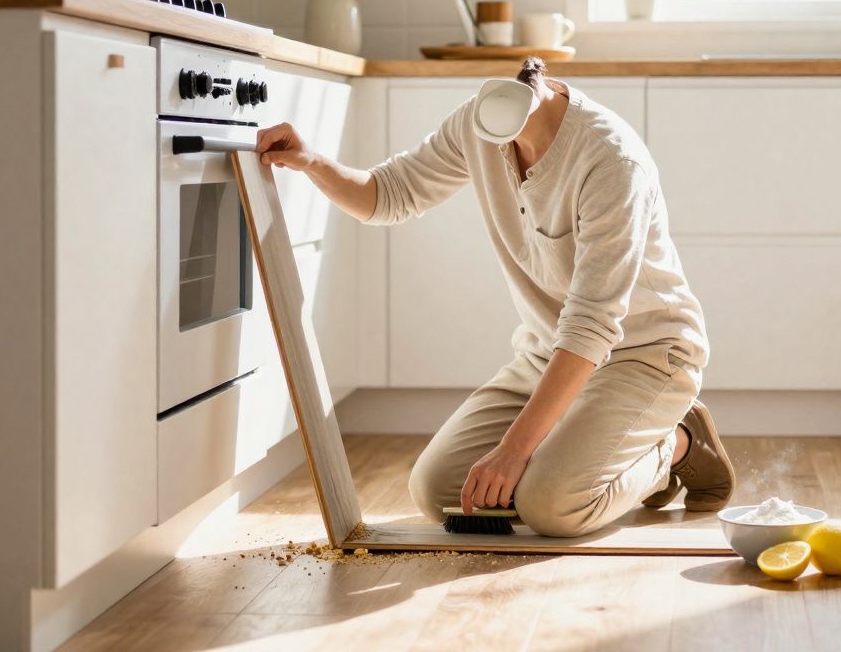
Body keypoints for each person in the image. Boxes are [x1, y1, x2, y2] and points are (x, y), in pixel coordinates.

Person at [254, 57, 733, 537]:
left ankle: (676, 443)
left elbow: (591, 326)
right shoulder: (480, 122)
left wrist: (515, 450)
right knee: (439, 490)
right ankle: (585, 442)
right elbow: (388, 195)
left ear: (540, 96)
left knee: (552, 506)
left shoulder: (612, 162)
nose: (502, 147)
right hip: (548, 355)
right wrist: (312, 161)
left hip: (645, 355)